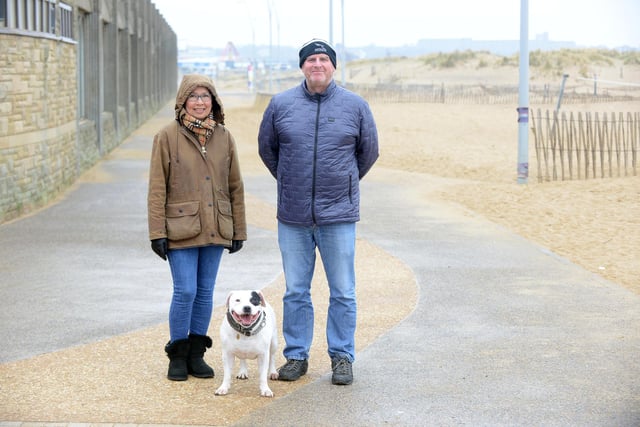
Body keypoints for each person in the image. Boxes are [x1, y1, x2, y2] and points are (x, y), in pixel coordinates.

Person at [258, 39, 379, 385]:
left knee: (343, 291)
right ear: (302, 67)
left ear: (334, 66)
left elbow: (367, 153)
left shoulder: (355, 106)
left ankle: (342, 356)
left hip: (338, 216)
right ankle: (296, 356)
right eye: (311, 60)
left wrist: (343, 183)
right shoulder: (280, 104)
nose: (317, 65)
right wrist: (290, 180)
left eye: (323, 59)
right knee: (296, 290)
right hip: (293, 217)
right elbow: (268, 151)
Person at [148, 74, 246, 381]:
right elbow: (156, 188)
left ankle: (196, 354)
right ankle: (177, 355)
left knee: (205, 293)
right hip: (180, 227)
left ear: (214, 102)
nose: (200, 102)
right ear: (183, 101)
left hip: (217, 226)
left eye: (206, 96)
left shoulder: (224, 136)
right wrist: (157, 232)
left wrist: (238, 230)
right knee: (185, 290)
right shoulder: (166, 136)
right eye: (194, 96)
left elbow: (235, 186)